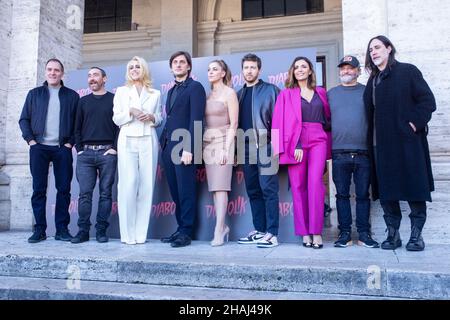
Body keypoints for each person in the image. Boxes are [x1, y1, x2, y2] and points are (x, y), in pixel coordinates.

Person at [363, 35, 436, 251]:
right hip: (381, 147)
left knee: (415, 188)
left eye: (377, 47)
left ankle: (416, 237)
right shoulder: (373, 81)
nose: (373, 52)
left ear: (389, 48)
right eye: (370, 50)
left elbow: (427, 101)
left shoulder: (408, 71)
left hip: (407, 144)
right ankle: (393, 236)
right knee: (387, 192)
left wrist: (413, 124)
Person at [272, 56, 331, 249]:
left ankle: (316, 231)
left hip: (317, 139)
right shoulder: (286, 94)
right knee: (298, 187)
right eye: (296, 67)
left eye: (303, 66)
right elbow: (278, 123)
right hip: (295, 143)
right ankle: (304, 233)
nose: (300, 70)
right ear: (292, 72)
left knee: (315, 184)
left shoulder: (321, 93)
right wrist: (292, 145)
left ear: (310, 71)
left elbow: (328, 120)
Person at [19, 58, 79, 243]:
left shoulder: (71, 96)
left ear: (62, 73)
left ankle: (61, 229)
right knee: (39, 189)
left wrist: (70, 143)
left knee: (63, 190)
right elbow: (24, 119)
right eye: (49, 70)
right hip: (39, 148)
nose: (53, 73)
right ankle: (40, 230)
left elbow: (78, 123)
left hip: (62, 148)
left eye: (56, 70)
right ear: (45, 72)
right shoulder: (34, 94)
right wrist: (31, 141)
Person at [327, 55, 379, 248]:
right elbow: (325, 122)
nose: (346, 71)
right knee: (341, 195)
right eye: (343, 68)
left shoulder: (368, 92)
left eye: (350, 68)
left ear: (358, 71)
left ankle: (364, 234)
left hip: (364, 153)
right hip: (339, 153)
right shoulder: (331, 94)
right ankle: (345, 234)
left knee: (363, 195)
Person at [113, 56, 162, 245]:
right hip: (127, 139)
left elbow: (159, 118)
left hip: (148, 138)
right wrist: (130, 112)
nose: (134, 69)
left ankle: (141, 234)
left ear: (144, 69)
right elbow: (116, 118)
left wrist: (152, 117)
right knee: (128, 184)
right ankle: (127, 235)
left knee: (147, 186)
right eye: (131, 67)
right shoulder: (121, 91)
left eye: (138, 66)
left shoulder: (155, 93)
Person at [160, 51, 206, 248]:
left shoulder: (195, 87)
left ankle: (186, 232)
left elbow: (197, 119)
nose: (178, 65)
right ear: (171, 67)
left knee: (186, 190)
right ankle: (180, 228)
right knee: (176, 191)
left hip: (184, 146)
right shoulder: (171, 91)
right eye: (175, 62)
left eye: (182, 62)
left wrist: (190, 148)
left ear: (188, 67)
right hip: (169, 147)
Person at [236, 53, 281, 248]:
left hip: (266, 145)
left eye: (253, 67)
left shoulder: (271, 90)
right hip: (245, 148)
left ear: (259, 70)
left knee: (268, 190)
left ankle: (272, 233)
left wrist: (276, 147)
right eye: (246, 68)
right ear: (242, 70)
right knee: (253, 190)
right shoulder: (238, 94)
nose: (249, 71)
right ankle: (260, 230)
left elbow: (280, 121)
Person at [72, 67, 119, 244]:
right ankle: (83, 231)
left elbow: (119, 127)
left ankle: (101, 231)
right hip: (86, 154)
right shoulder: (83, 101)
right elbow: (76, 127)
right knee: (84, 194)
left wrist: (114, 148)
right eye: (89, 76)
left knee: (106, 194)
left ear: (104, 79)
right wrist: (80, 149)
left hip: (107, 152)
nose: (92, 78)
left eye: (96, 75)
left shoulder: (114, 100)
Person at [203, 60, 239, 246]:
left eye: (215, 69)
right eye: (209, 69)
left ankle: (219, 229)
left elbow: (234, 123)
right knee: (214, 188)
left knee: (221, 186)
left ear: (223, 73)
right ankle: (222, 226)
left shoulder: (230, 93)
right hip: (207, 142)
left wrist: (227, 148)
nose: (210, 72)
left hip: (224, 140)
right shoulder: (208, 95)